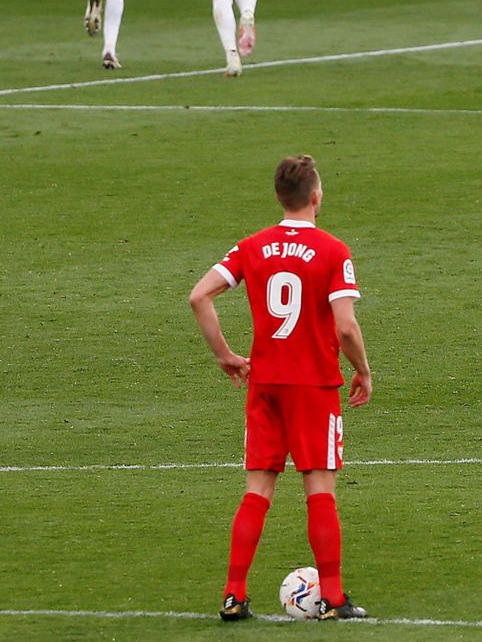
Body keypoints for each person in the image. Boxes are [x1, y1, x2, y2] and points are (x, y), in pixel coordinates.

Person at [188, 154, 372, 622]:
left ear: (278, 197)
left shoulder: (251, 246)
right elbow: (346, 326)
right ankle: (332, 598)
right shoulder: (334, 251)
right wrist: (363, 370)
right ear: (316, 197)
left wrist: (225, 355)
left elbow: (199, 295)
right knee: (320, 490)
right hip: (313, 386)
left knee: (257, 490)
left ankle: (233, 595)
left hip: (265, 385)